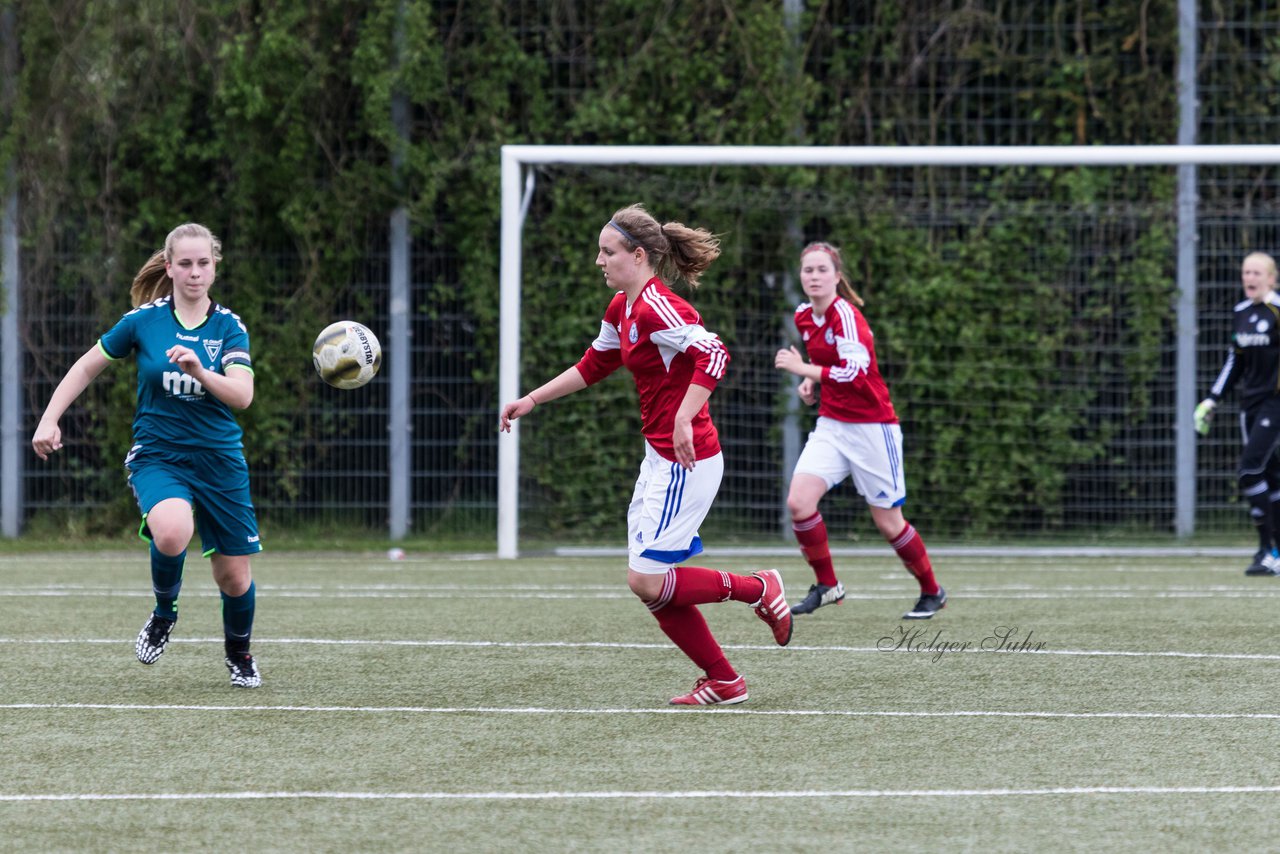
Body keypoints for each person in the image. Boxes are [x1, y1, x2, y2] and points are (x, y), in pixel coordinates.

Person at [500, 203, 792, 707]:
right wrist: (532, 399)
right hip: (659, 460)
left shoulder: (660, 306)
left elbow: (716, 354)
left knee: (646, 578)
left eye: (607, 252)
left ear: (638, 256)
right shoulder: (623, 308)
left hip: (688, 459)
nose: (599, 261)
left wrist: (683, 417)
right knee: (652, 587)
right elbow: (595, 363)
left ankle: (759, 588)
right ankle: (724, 680)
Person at [31, 223, 264, 687]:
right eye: (185, 264)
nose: (194, 273)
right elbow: (86, 365)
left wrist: (200, 370)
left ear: (215, 266)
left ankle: (239, 654)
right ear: (169, 266)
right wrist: (49, 418)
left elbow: (242, 396)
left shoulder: (229, 327)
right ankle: (163, 614)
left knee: (234, 579)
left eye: (203, 263)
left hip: (219, 460)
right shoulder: (144, 321)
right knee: (174, 529)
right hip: (159, 454)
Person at [774, 241, 946, 619]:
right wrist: (812, 383)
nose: (814, 276)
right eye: (808, 270)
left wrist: (804, 371)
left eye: (822, 270)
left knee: (888, 522)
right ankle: (828, 585)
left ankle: (932, 591)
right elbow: (829, 366)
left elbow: (855, 371)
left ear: (837, 276)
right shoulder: (804, 316)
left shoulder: (845, 315)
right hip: (833, 426)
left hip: (872, 429)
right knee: (799, 503)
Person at [1195, 251, 1280, 576]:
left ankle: (1266, 551)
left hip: (1276, 403)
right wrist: (1211, 399)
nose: (1250, 278)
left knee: (1248, 470)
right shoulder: (1241, 312)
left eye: (1258, 272)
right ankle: (1277, 552)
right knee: (1270, 478)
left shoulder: (1277, 311)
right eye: (1246, 272)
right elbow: (1235, 362)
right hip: (1251, 405)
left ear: (1271, 279)